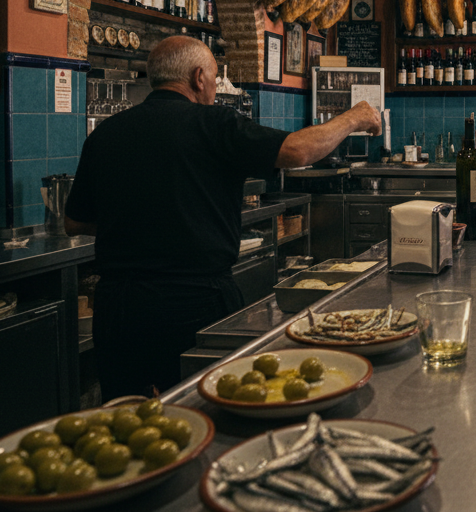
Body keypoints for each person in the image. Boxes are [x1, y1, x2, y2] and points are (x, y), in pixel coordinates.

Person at [65, 36, 381, 398]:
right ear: (199, 77)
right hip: (193, 301)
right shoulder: (213, 123)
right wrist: (354, 117)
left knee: (127, 420)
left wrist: (141, 222)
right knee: (207, 405)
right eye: (215, 78)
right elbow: (298, 151)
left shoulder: (106, 133)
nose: (215, 88)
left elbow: (74, 221)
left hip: (118, 308)